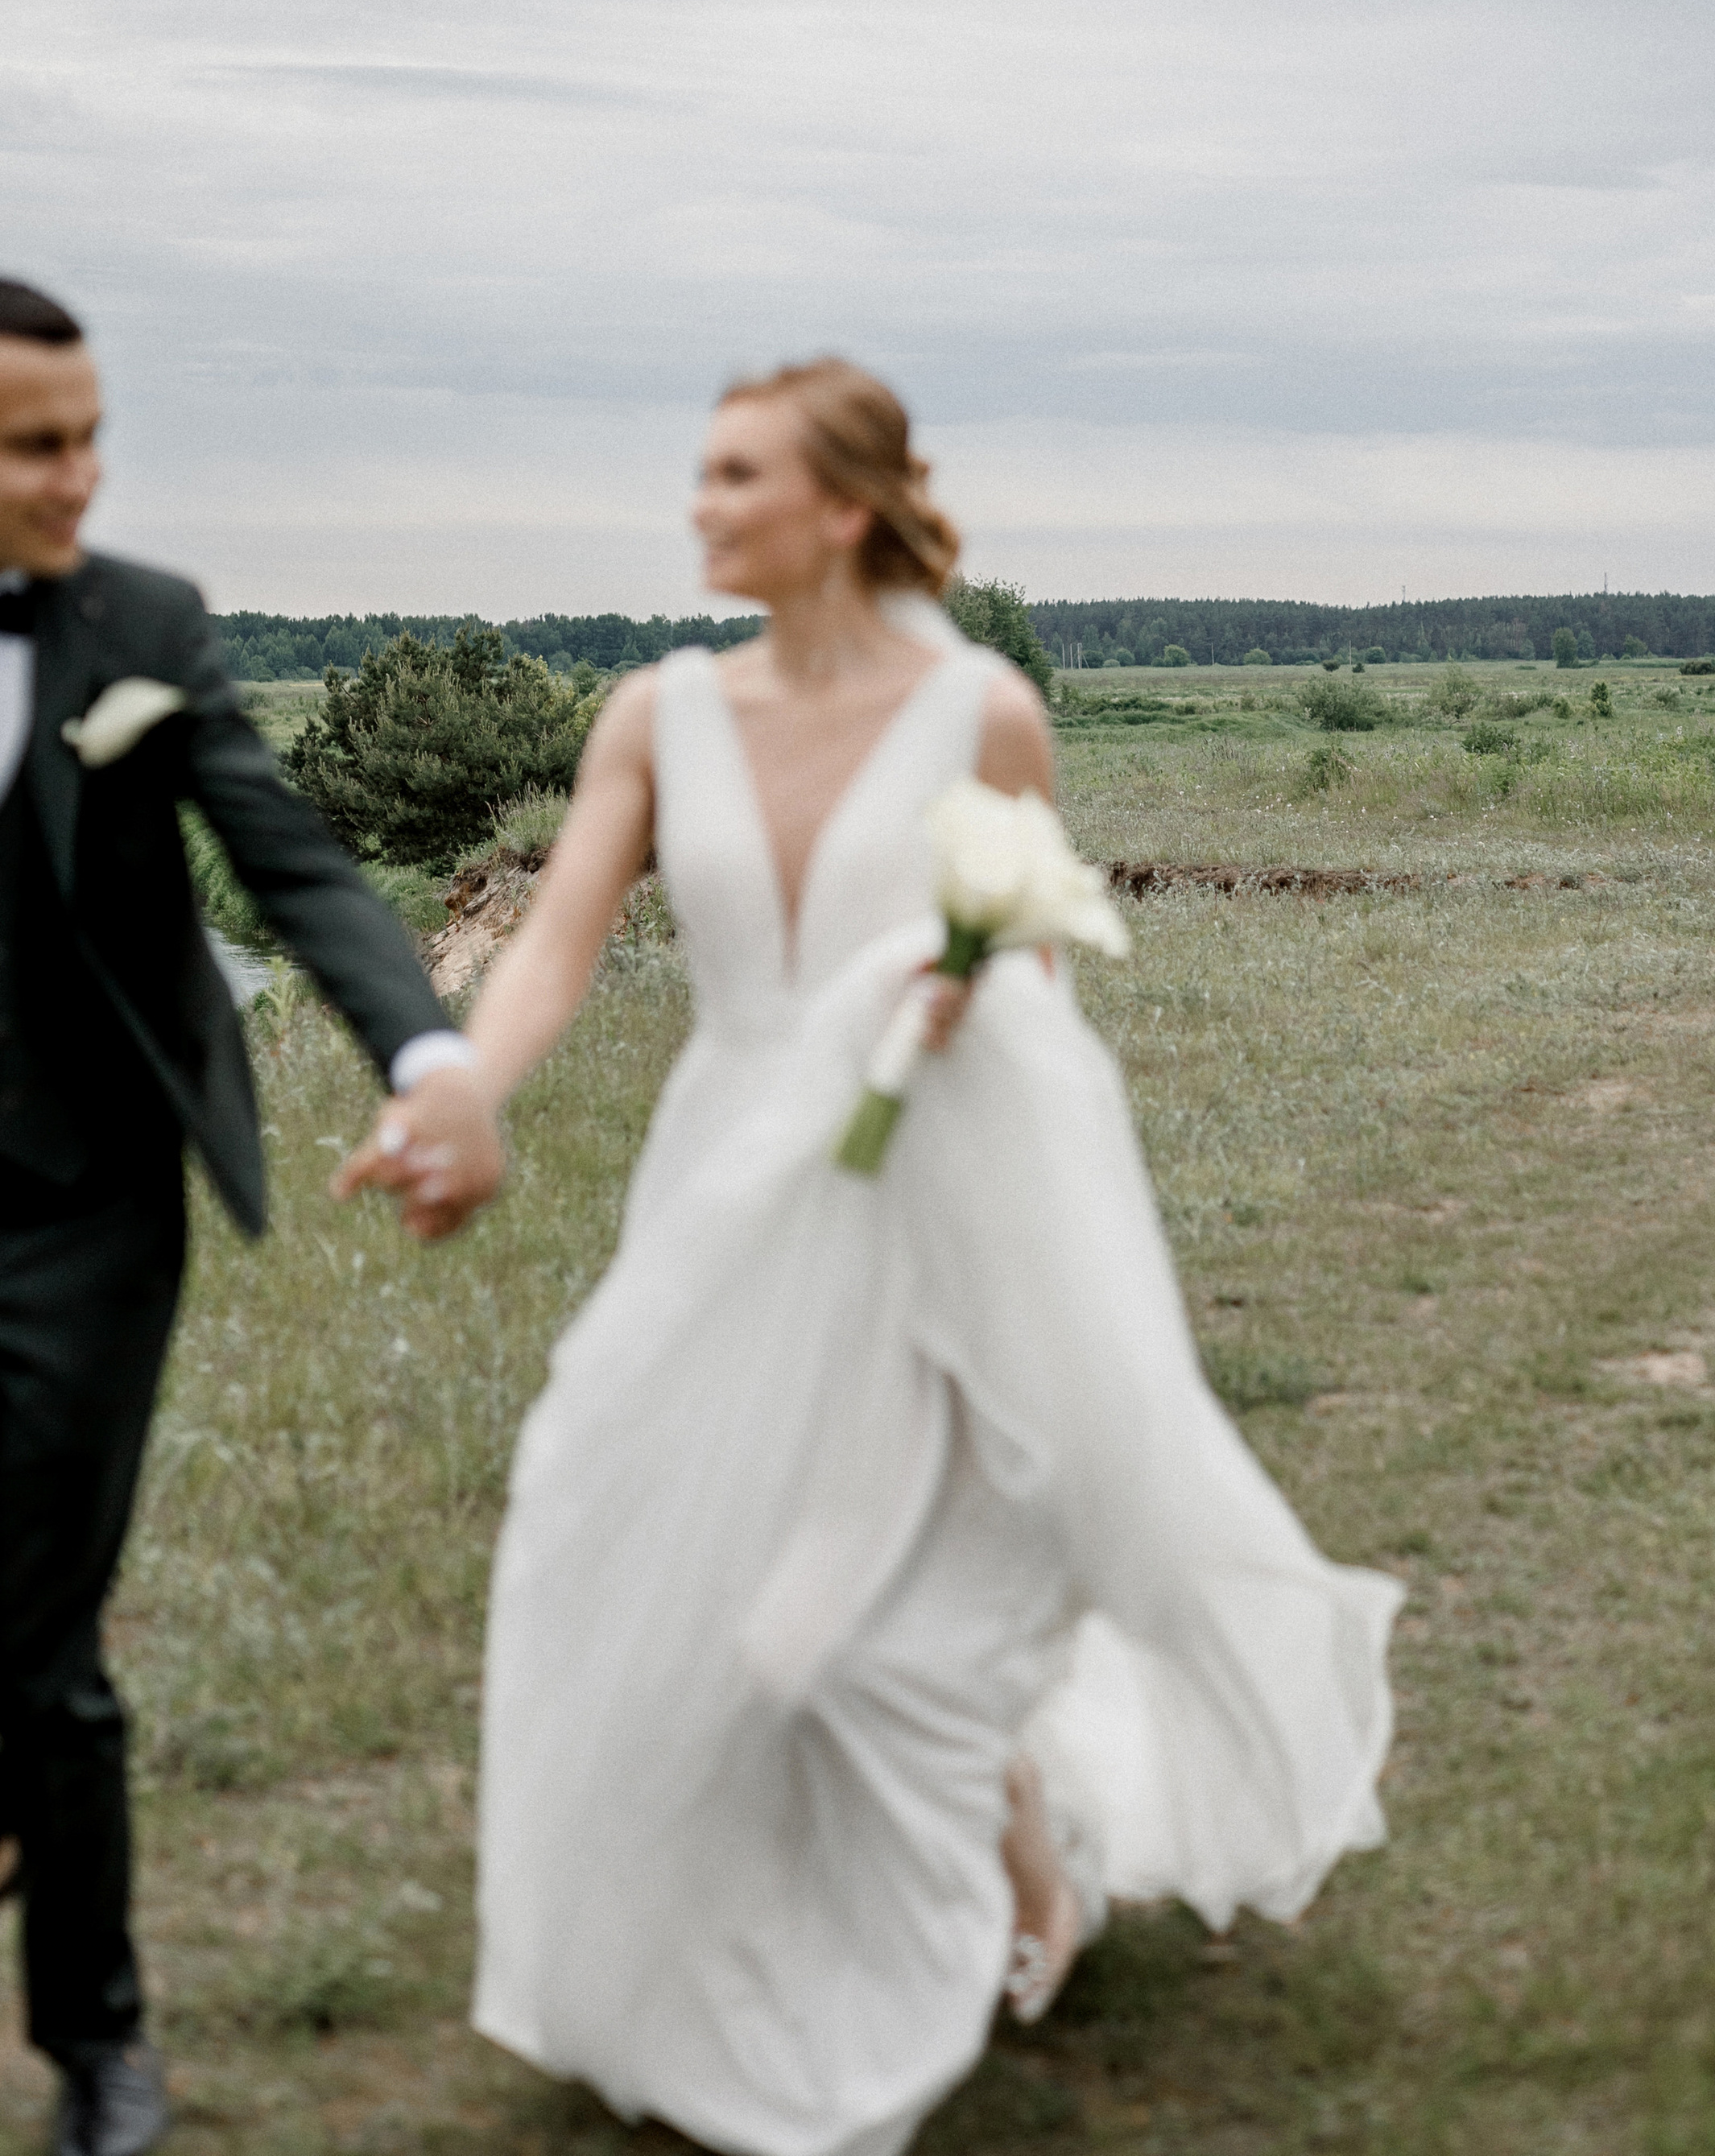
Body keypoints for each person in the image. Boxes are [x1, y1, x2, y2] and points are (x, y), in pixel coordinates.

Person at [342, 357, 1401, 2156]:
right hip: (725, 1198)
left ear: (841, 507)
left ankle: (1010, 1862)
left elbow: (1037, 987)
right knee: (632, 1527)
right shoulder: (655, 713)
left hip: (932, 1194)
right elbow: (555, 945)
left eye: (735, 475)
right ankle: (802, 1896)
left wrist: (965, 1004)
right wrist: (462, 1090)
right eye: (700, 472)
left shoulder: (983, 712)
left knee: (864, 1613)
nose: (700, 505)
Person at [0, 278, 497, 2156]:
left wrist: (428, 1056)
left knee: (37, 1627)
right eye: (35, 446)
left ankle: (101, 2044)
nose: (80, 477)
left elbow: (293, 865)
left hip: (80, 1202)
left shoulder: (144, 626)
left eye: (89, 437)